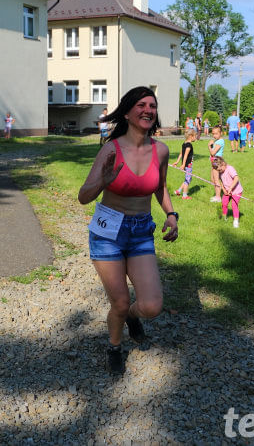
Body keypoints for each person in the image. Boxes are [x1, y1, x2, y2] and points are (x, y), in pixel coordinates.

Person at [77, 86, 178, 375]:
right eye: (141, 105)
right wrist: (103, 181)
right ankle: (115, 346)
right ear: (129, 111)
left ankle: (133, 317)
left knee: (151, 306)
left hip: (141, 231)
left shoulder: (161, 150)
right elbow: (84, 196)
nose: (148, 110)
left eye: (153, 105)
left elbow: (160, 187)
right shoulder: (111, 148)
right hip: (108, 232)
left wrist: (171, 214)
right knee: (119, 302)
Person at [211, 156, 242, 228]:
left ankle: (236, 221)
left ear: (223, 164)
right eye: (218, 171)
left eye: (220, 169)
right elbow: (221, 180)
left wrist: (231, 188)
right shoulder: (220, 170)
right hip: (227, 191)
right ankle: (224, 217)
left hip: (236, 191)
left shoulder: (230, 169)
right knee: (224, 203)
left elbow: (236, 178)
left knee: (234, 205)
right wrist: (224, 189)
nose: (220, 171)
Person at [171, 130, 196, 199]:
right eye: (195, 136)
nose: (195, 138)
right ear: (191, 136)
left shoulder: (184, 144)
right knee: (188, 180)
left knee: (188, 179)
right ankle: (184, 196)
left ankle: (178, 191)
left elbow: (181, 153)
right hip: (188, 165)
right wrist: (183, 164)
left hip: (186, 165)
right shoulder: (189, 145)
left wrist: (177, 161)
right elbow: (185, 155)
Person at [207, 126, 225, 202]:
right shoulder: (217, 141)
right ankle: (220, 193)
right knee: (213, 179)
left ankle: (218, 197)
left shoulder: (220, 142)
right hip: (214, 161)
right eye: (213, 134)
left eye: (216, 134)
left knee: (216, 179)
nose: (214, 136)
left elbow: (213, 152)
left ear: (221, 133)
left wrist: (209, 146)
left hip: (217, 162)